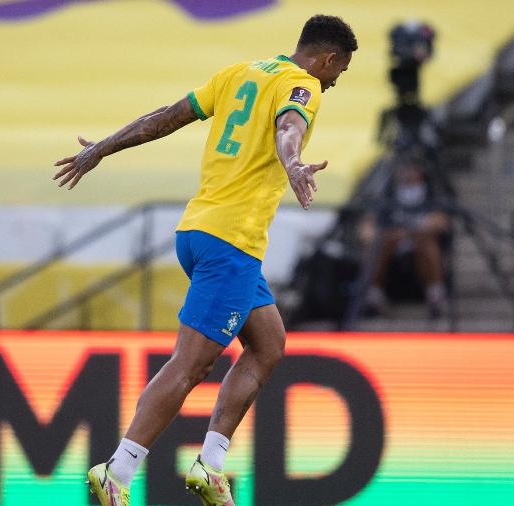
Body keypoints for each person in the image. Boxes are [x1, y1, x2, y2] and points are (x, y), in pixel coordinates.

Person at [52, 15, 357, 506]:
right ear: (328, 58)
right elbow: (289, 126)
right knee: (190, 365)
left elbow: (168, 115)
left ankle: (210, 465)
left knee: (269, 344)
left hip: (198, 232)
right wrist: (294, 161)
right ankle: (119, 470)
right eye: (339, 69)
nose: (336, 80)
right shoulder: (303, 86)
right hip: (231, 242)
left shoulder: (238, 73)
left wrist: (105, 147)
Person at [364, 155, 450, 319]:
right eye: (403, 167)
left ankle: (435, 294)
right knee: (380, 243)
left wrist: (412, 231)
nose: (407, 172)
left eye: (412, 167)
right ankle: (374, 295)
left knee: (427, 243)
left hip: (421, 241)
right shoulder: (387, 191)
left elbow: (442, 221)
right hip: (393, 242)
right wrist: (382, 234)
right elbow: (367, 226)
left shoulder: (432, 191)